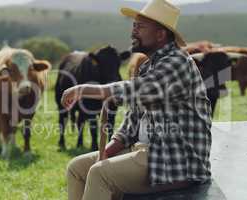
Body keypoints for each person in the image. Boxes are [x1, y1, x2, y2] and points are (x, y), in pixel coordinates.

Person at [62, 0, 212, 200]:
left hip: (175, 161)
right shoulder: (148, 67)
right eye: (134, 26)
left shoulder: (178, 63)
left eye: (140, 27)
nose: (133, 32)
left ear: (160, 34)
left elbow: (134, 90)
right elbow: (133, 119)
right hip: (147, 152)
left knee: (100, 174)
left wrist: (84, 88)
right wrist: (110, 149)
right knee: (76, 168)